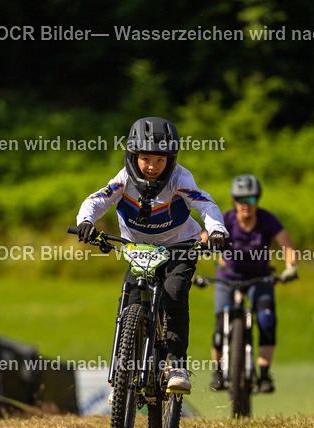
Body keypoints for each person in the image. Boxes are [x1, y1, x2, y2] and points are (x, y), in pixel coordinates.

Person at [75, 116, 229, 394]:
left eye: (161, 160)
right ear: (133, 156)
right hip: (138, 250)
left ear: (171, 160)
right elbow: (97, 200)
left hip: (179, 247)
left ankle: (177, 365)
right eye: (146, 158)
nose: (153, 167)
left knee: (174, 291)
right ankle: (121, 378)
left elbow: (205, 204)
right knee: (130, 299)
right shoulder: (123, 179)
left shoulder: (181, 178)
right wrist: (86, 221)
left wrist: (216, 230)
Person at [209, 174, 298, 394]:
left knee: (266, 319)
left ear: (258, 200)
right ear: (233, 201)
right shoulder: (225, 219)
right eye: (241, 200)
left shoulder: (268, 220)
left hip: (260, 277)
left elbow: (286, 244)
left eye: (251, 199)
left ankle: (264, 374)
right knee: (220, 327)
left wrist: (291, 266)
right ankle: (218, 372)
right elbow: (204, 238)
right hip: (228, 276)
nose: (246, 205)